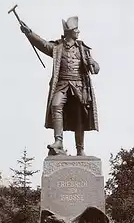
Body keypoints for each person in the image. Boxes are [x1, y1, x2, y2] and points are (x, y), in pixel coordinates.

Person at [20, 16, 100, 156]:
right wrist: (29, 33)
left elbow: (96, 68)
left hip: (79, 86)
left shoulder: (83, 49)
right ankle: (59, 142)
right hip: (62, 84)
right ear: (69, 31)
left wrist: (93, 64)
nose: (78, 31)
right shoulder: (57, 47)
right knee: (56, 105)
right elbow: (43, 44)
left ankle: (80, 149)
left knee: (78, 116)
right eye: (76, 29)